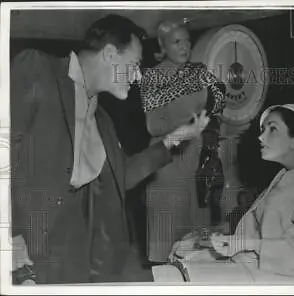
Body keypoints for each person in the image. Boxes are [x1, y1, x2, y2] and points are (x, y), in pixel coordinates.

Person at [10, 14, 210, 284]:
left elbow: (120, 176)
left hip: (77, 254)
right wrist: (10, 235)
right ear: (109, 54)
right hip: (27, 249)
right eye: (135, 64)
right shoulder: (38, 69)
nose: (139, 76)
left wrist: (173, 139)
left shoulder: (102, 119)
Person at [158, 104, 294, 283]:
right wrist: (217, 237)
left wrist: (247, 244)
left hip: (280, 278)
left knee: (175, 278)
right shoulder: (287, 175)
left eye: (273, 129)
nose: (261, 137)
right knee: (181, 254)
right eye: (262, 129)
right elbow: (259, 227)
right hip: (255, 263)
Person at [139, 20, 226, 263]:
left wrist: (210, 118)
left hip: (199, 162)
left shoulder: (200, 71)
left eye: (187, 40)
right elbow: (152, 125)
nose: (185, 46)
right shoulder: (153, 76)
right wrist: (185, 126)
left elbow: (220, 99)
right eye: (177, 41)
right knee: (166, 239)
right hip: (168, 163)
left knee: (197, 244)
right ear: (162, 46)